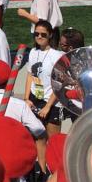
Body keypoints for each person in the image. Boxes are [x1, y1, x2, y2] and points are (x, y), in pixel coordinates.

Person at [24, 20, 65, 172]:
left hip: (51, 103)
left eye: (43, 34)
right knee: (39, 140)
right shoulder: (33, 53)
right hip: (35, 99)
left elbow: (59, 83)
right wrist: (26, 98)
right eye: (36, 34)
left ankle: (56, 173)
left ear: (50, 35)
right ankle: (42, 171)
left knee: (53, 142)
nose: (39, 37)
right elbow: (30, 75)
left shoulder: (57, 55)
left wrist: (48, 106)